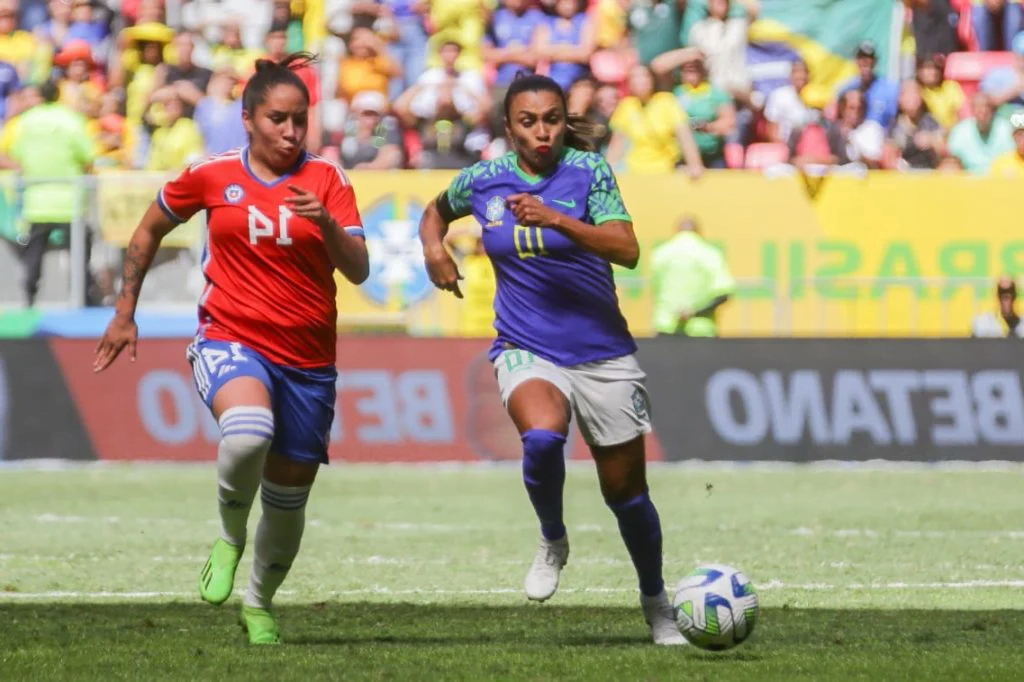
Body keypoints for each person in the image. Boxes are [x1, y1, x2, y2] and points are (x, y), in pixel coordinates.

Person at [92, 53, 370, 645]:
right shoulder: (212, 174)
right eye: (278, 119)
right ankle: (230, 534)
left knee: (290, 499)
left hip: (309, 360)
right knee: (247, 431)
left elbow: (360, 270)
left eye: (300, 120)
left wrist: (325, 224)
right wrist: (124, 311)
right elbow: (147, 230)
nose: (291, 132)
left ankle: (260, 602)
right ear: (248, 118)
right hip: (230, 337)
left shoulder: (327, 181)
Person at [418, 72, 686, 646]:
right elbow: (433, 211)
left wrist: (558, 218)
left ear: (566, 121)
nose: (542, 132)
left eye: (553, 120)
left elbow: (628, 249)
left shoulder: (588, 172)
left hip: (601, 352)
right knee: (542, 437)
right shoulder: (484, 179)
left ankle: (656, 601)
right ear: (508, 127)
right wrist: (433, 251)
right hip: (524, 343)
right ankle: (552, 538)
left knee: (627, 496)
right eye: (528, 122)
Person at [3, 80, 95, 307]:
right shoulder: (72, 120)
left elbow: (15, 154)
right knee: (79, 252)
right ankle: (83, 297)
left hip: (37, 201)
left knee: (33, 254)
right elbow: (88, 155)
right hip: (69, 200)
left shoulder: (25, 122)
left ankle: (28, 299)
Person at [650, 216, 735, 337]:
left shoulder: (660, 254)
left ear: (676, 230)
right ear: (699, 232)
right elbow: (724, 293)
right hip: (700, 329)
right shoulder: (710, 254)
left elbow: (655, 288)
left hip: (666, 327)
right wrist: (694, 312)